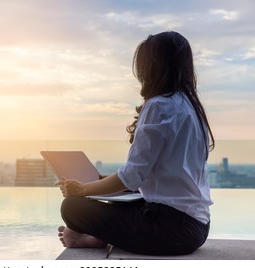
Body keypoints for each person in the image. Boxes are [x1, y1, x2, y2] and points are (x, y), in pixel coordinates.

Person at [57, 31, 215, 256]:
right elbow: (151, 174)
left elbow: (133, 176)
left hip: (170, 230)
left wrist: (83, 189)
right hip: (196, 226)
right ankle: (98, 238)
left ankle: (97, 238)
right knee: (121, 201)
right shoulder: (190, 108)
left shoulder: (159, 106)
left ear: (151, 68)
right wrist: (102, 181)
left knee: (72, 206)